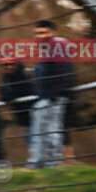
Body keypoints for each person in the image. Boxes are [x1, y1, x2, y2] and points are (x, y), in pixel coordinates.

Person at [28, 20, 75, 167]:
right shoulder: (46, 50)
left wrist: (55, 95)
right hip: (46, 97)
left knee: (52, 131)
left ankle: (52, 163)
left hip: (54, 97)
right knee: (41, 130)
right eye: (38, 33)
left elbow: (62, 72)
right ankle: (40, 163)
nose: (40, 36)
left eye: (44, 32)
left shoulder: (57, 46)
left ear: (53, 32)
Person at [0, 57, 34, 149]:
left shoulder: (23, 75)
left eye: (11, 64)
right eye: (5, 65)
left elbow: (18, 92)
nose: (9, 67)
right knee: (29, 140)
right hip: (23, 117)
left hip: (34, 113)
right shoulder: (4, 78)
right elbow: (4, 95)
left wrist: (9, 96)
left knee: (34, 140)